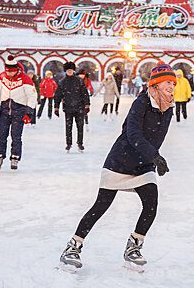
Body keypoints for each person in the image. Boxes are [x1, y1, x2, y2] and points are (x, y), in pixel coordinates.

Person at [59, 62, 177, 272]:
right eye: (168, 82)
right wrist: (154, 155)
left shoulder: (168, 106)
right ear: (157, 84)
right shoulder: (141, 102)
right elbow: (132, 133)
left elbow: (157, 136)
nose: (172, 86)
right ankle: (72, 247)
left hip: (144, 164)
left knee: (152, 203)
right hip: (120, 161)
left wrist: (153, 158)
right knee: (101, 205)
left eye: (173, 83)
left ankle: (134, 246)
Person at [0, 56, 38, 170]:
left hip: (19, 110)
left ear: (16, 69)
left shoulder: (25, 79)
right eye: (7, 72)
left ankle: (15, 157)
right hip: (5, 109)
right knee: (1, 134)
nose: (9, 74)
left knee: (16, 136)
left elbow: (32, 96)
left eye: (11, 72)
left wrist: (29, 112)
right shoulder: (2, 76)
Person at [54, 62, 90, 152]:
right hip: (68, 107)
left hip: (79, 107)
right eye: (68, 70)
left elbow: (84, 93)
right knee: (68, 127)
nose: (69, 72)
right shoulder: (62, 82)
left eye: (71, 70)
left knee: (80, 126)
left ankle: (80, 143)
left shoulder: (79, 80)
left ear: (73, 70)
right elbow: (58, 95)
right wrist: (56, 107)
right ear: (65, 71)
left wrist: (87, 104)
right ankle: (68, 144)